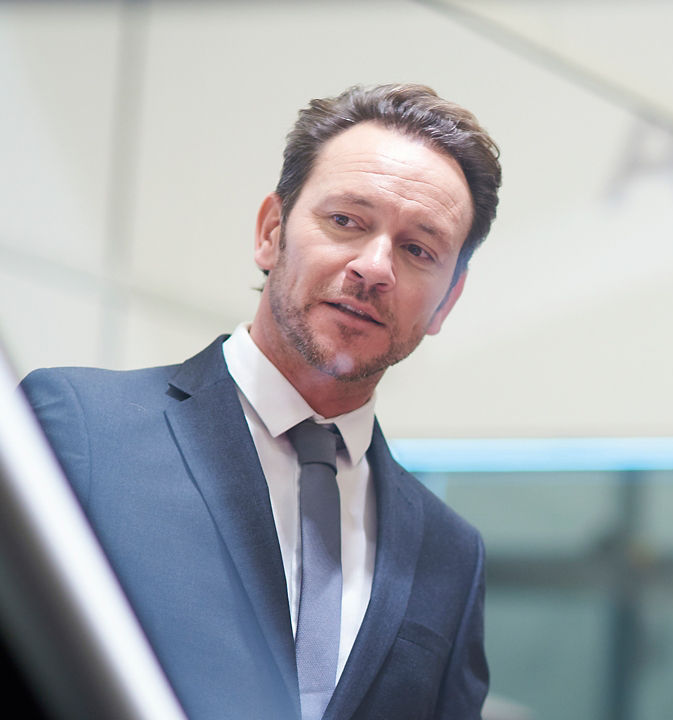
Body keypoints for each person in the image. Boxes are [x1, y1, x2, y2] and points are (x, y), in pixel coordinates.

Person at [21, 83, 501, 720]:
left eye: (419, 250)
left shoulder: (451, 556)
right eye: (346, 221)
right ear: (272, 233)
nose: (375, 266)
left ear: (447, 300)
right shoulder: (81, 430)